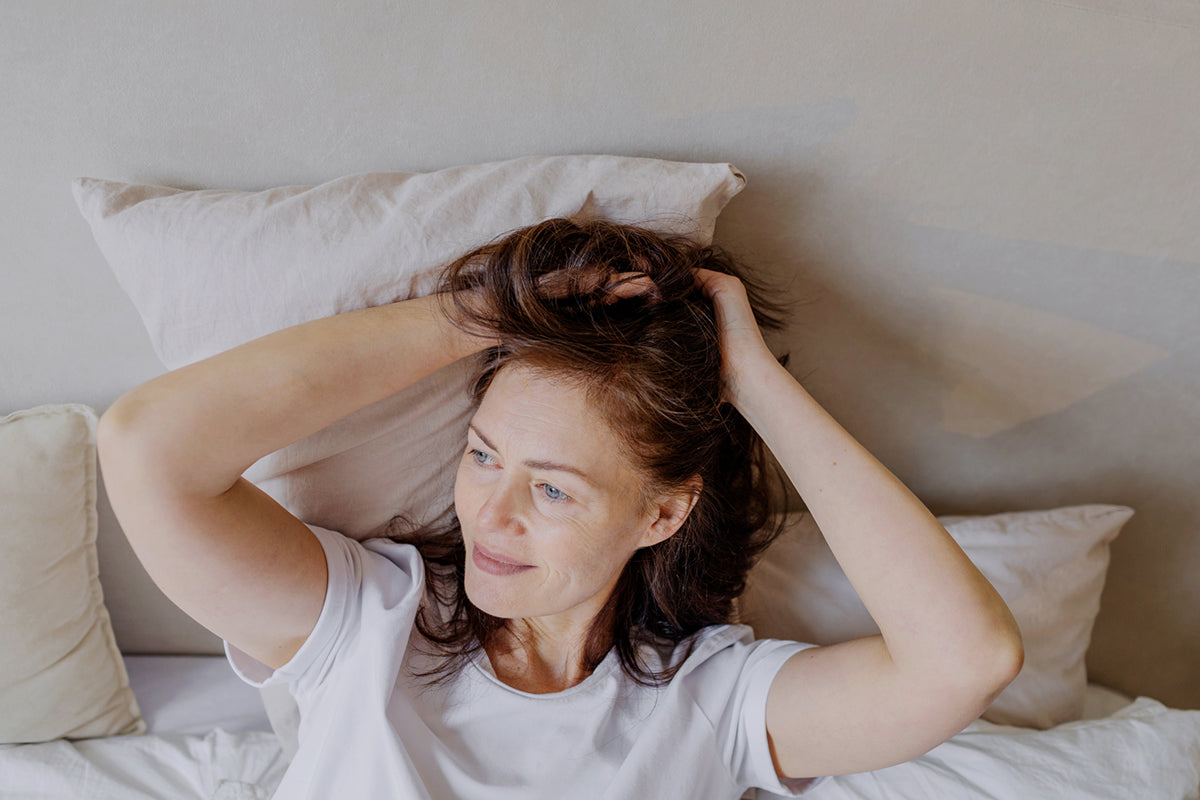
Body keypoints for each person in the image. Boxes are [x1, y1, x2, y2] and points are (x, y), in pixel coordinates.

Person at [98, 218, 1024, 799]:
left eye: (550, 488)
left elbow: (968, 660)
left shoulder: (713, 699)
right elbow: (148, 447)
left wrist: (749, 381)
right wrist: (488, 313)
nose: (488, 516)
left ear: (663, 514)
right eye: (482, 456)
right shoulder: (367, 624)